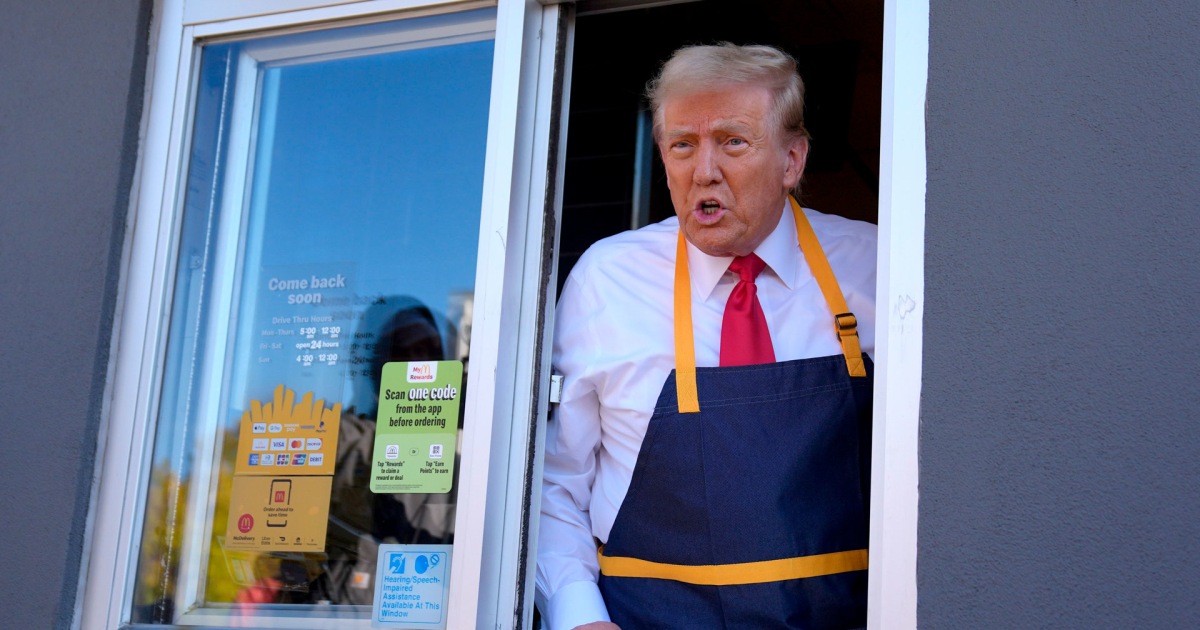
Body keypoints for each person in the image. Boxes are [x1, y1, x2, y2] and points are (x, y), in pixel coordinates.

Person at [536, 43, 877, 629]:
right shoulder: (606, 279)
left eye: (733, 142)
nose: (704, 171)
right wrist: (577, 615)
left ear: (792, 161)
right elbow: (552, 479)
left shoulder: (878, 264)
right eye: (683, 145)